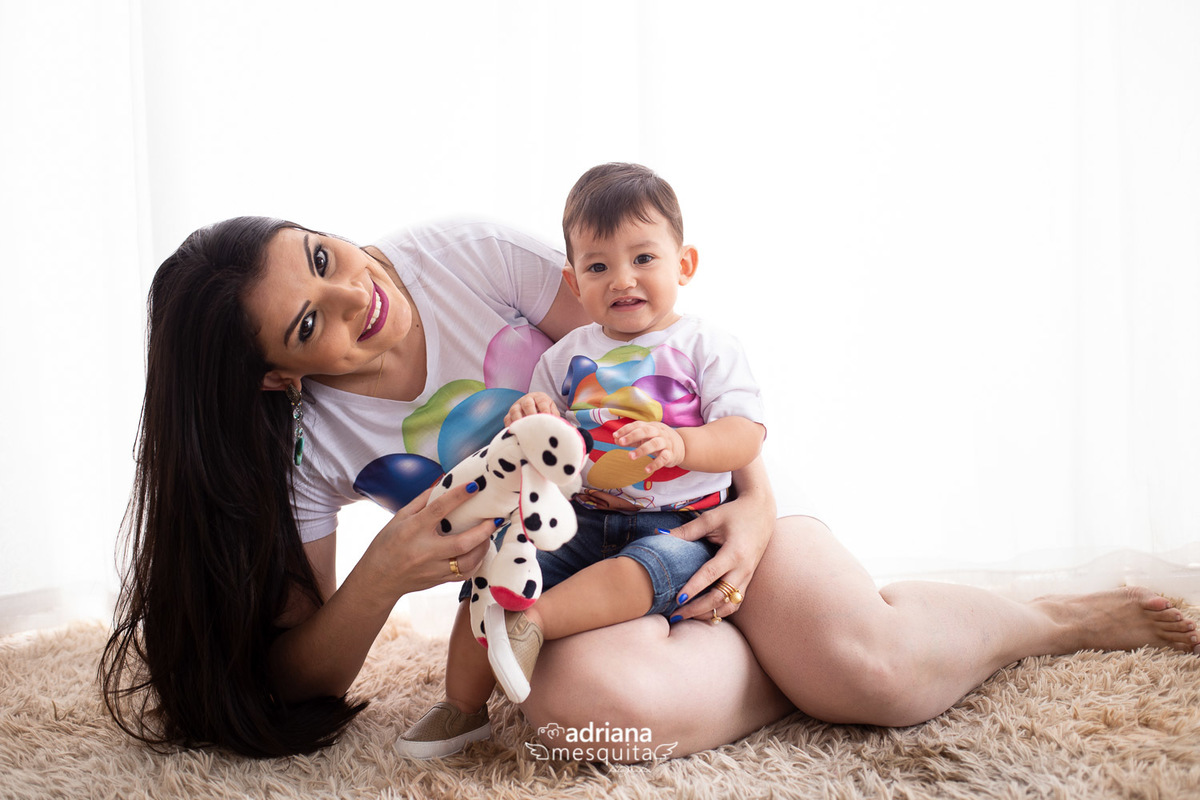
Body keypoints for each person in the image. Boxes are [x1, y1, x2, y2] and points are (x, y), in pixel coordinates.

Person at [102, 170, 1200, 762]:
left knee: (880, 674)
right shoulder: (305, 446)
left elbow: (675, 356)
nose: (359, 297)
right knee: (581, 720)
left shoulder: (462, 256)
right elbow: (302, 675)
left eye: (325, 256)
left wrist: (757, 513)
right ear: (275, 380)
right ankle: (798, 663)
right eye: (310, 323)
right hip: (586, 587)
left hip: (709, 505)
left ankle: (1048, 618)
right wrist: (387, 567)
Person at [397, 164, 768, 757]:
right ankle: (461, 708)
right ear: (574, 282)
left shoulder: (705, 346)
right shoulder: (568, 356)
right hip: (582, 518)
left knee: (643, 569)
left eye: (643, 258)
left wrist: (685, 444)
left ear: (685, 264)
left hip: (677, 525)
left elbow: (746, 435)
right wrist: (534, 413)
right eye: (599, 266)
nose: (623, 279)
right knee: (492, 574)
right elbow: (551, 445)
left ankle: (536, 620)